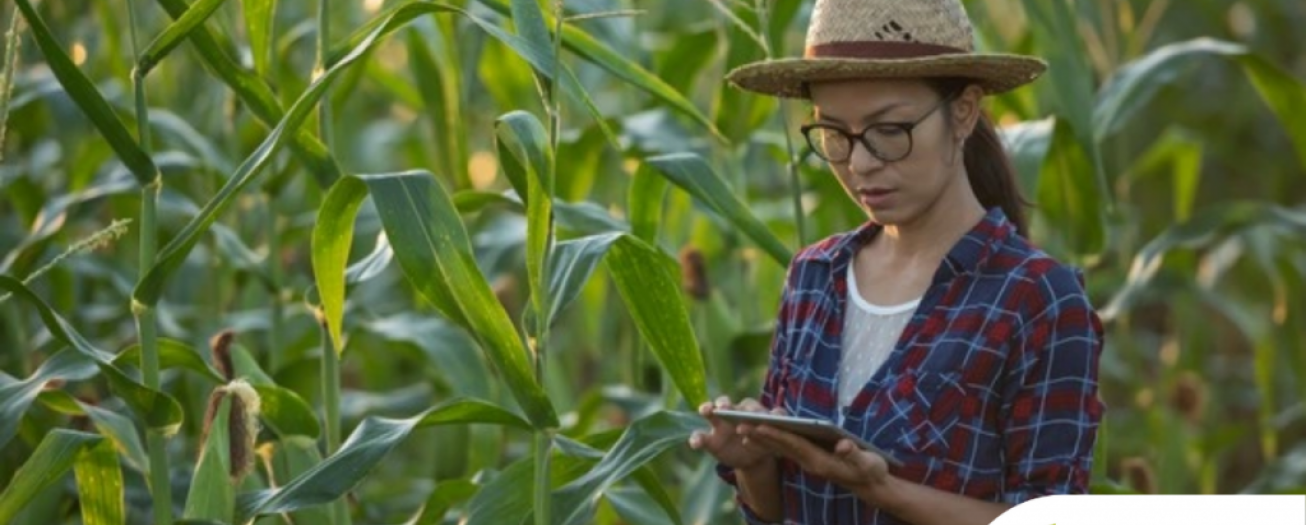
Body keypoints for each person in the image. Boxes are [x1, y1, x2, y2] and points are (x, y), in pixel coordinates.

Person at [686, 0, 1106, 524]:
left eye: (889, 131)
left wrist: (885, 491)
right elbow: (786, 512)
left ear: (963, 112)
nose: (860, 163)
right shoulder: (814, 276)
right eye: (834, 134)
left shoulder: (1037, 298)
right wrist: (755, 467)